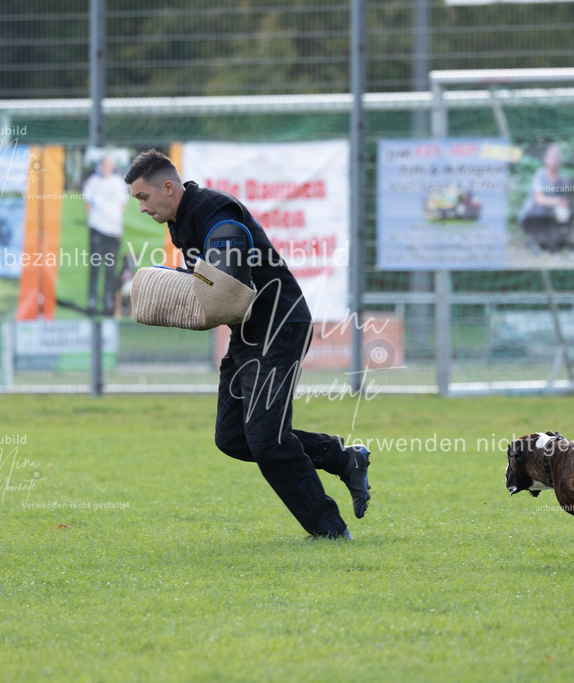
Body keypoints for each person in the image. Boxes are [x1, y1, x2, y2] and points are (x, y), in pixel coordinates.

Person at [123, 149, 370, 540]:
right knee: (233, 438)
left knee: (267, 441)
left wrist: (200, 282)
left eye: (142, 197)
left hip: (280, 327)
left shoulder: (214, 209)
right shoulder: (181, 220)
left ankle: (330, 531)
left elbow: (227, 272)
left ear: (167, 187)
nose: (140, 207)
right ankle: (343, 456)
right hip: (249, 334)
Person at [82, 155, 130, 314]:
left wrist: (113, 221)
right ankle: (92, 301)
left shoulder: (118, 182)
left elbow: (122, 205)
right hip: (97, 229)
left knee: (111, 268)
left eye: (108, 165)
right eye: (103, 165)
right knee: (95, 266)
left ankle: (109, 301)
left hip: (113, 231)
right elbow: (87, 203)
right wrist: (94, 222)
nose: (105, 168)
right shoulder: (93, 182)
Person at [518, 143, 574, 253]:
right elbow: (539, 199)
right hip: (532, 214)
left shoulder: (563, 177)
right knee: (542, 209)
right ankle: (533, 240)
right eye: (551, 157)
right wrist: (558, 202)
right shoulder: (540, 175)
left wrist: (561, 206)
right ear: (545, 158)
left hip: (552, 215)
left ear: (559, 160)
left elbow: (566, 201)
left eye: (556, 157)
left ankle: (556, 242)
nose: (553, 160)